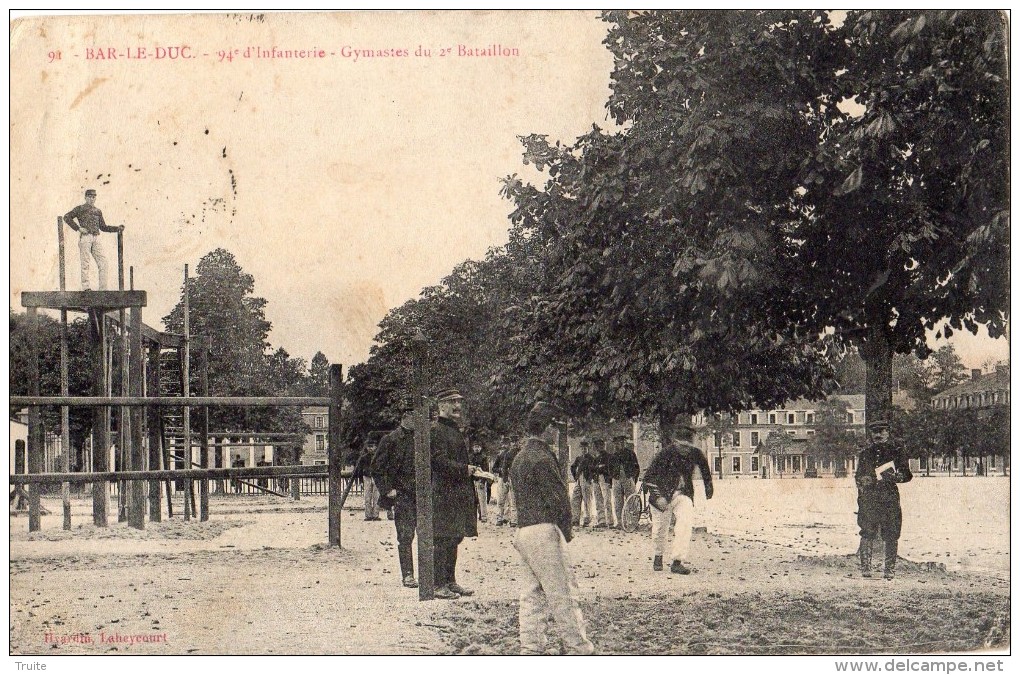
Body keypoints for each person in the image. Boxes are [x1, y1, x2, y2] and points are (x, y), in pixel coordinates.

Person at [510, 401, 595, 655]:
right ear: (547, 428)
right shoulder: (544, 458)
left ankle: (531, 646)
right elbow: (559, 500)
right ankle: (579, 647)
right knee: (563, 593)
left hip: (523, 530)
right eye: (556, 427)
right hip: (544, 530)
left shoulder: (519, 457)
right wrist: (566, 532)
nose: (557, 432)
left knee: (531, 595)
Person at [641, 417, 713, 574]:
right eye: (682, 446)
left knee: (685, 523)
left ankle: (677, 561)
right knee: (660, 528)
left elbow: (705, 469)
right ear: (675, 442)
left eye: (688, 446)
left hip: (682, 494)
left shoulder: (695, 453)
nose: (685, 450)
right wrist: (658, 496)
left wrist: (708, 487)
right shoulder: (664, 454)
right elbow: (648, 478)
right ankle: (658, 555)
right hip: (661, 495)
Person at [429, 388, 480, 599]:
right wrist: (464, 469)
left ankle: (450, 581)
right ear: (441, 406)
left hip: (457, 493)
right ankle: (437, 584)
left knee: (454, 537)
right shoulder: (437, 430)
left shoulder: (453, 430)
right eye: (452, 403)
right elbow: (438, 462)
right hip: (444, 493)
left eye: (459, 402)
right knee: (442, 537)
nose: (457, 407)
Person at [855, 419, 912, 579]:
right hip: (869, 498)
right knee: (867, 531)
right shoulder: (865, 454)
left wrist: (897, 476)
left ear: (888, 432)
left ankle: (889, 570)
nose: (878, 435)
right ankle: (865, 568)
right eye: (875, 432)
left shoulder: (897, 452)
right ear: (871, 434)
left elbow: (907, 474)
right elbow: (858, 476)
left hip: (889, 497)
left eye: (882, 431)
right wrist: (864, 482)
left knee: (892, 533)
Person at [373, 409, 419, 588]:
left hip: (422, 493)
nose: (418, 420)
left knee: (428, 535)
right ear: (405, 418)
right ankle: (408, 575)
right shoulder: (391, 440)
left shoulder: (422, 438)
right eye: (414, 416)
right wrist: (387, 489)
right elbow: (377, 467)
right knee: (406, 535)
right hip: (402, 495)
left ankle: (429, 575)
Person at [63, 189, 124, 291]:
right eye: (90, 197)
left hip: (95, 237)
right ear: (85, 197)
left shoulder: (98, 211)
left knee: (103, 262)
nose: (92, 199)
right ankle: (86, 287)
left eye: (94, 197)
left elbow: (103, 227)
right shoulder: (80, 208)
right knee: (85, 262)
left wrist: (117, 228)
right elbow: (67, 217)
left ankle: (103, 289)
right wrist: (78, 228)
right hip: (85, 238)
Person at [611, 434, 640, 528]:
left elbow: (636, 467)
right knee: (618, 501)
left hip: (628, 478)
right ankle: (620, 522)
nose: (620, 444)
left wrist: (633, 479)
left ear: (625, 443)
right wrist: (613, 477)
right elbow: (609, 468)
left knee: (631, 500)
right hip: (617, 479)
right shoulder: (614, 455)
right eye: (618, 442)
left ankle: (634, 523)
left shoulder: (630, 453)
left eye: (622, 442)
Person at [492, 438, 520, 527]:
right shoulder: (504, 454)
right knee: (501, 500)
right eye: (513, 442)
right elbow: (502, 467)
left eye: (516, 441)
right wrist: (505, 479)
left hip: (515, 479)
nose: (514, 444)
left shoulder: (520, 454)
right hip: (504, 478)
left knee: (513, 501)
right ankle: (499, 519)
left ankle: (513, 520)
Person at [354, 436, 382, 521]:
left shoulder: (379, 457)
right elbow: (359, 470)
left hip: (376, 477)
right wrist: (360, 481)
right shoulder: (363, 457)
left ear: (375, 447)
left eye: (372, 446)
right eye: (368, 446)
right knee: (367, 497)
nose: (370, 448)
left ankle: (375, 515)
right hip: (366, 477)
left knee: (376, 497)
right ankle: (368, 515)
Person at [470, 442, 489, 523]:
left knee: (482, 499)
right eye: (475, 446)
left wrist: (483, 480)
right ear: (473, 448)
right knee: (474, 499)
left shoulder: (484, 457)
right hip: (472, 480)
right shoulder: (470, 457)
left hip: (480, 480)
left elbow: (486, 470)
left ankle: (484, 516)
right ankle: (476, 515)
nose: (476, 448)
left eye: (478, 446)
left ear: (480, 448)